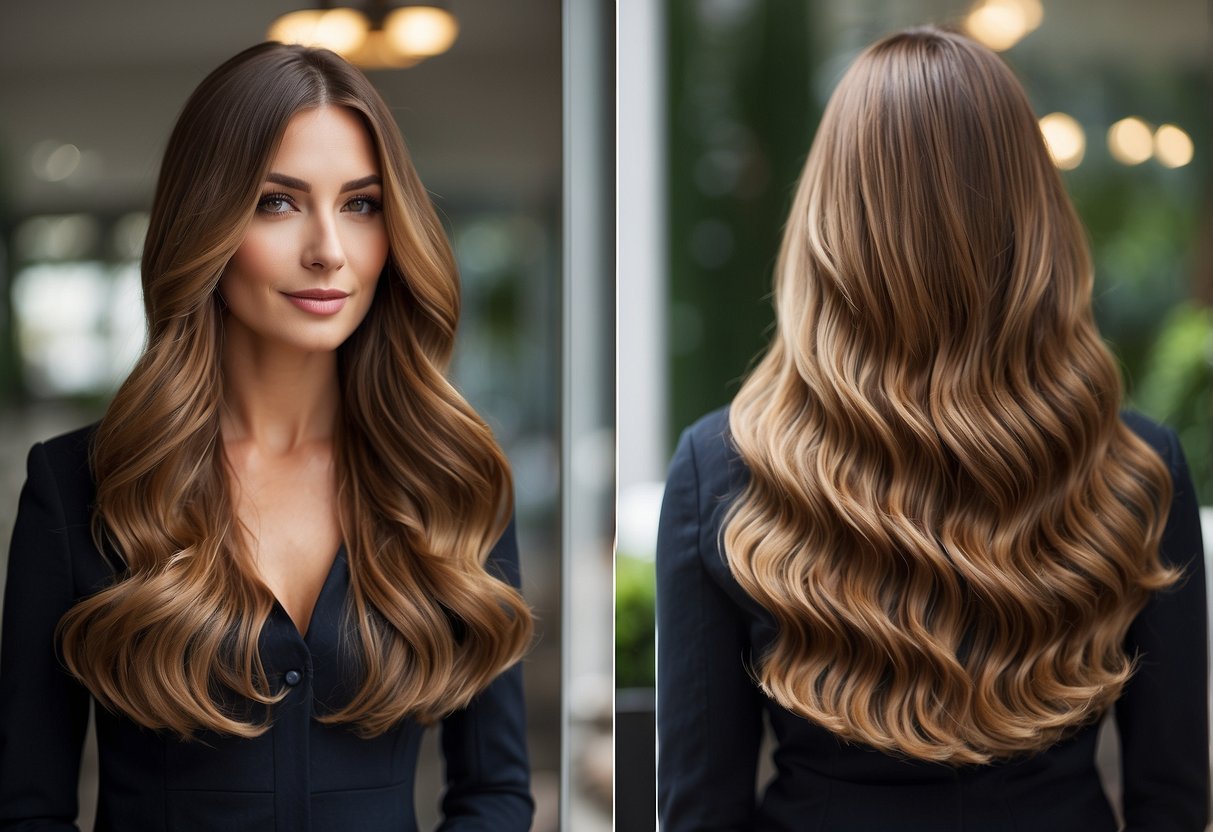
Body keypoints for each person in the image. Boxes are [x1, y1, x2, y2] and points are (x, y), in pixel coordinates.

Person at [656, 26, 1208, 832]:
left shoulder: (721, 471)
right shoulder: (1134, 466)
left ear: (831, 221)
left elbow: (700, 809)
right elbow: (1171, 801)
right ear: (1031, 218)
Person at [0, 42, 534, 831]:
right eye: (277, 202)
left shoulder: (450, 476)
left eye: (360, 204)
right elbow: (27, 809)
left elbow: (493, 794)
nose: (328, 250)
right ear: (205, 223)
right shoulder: (78, 483)